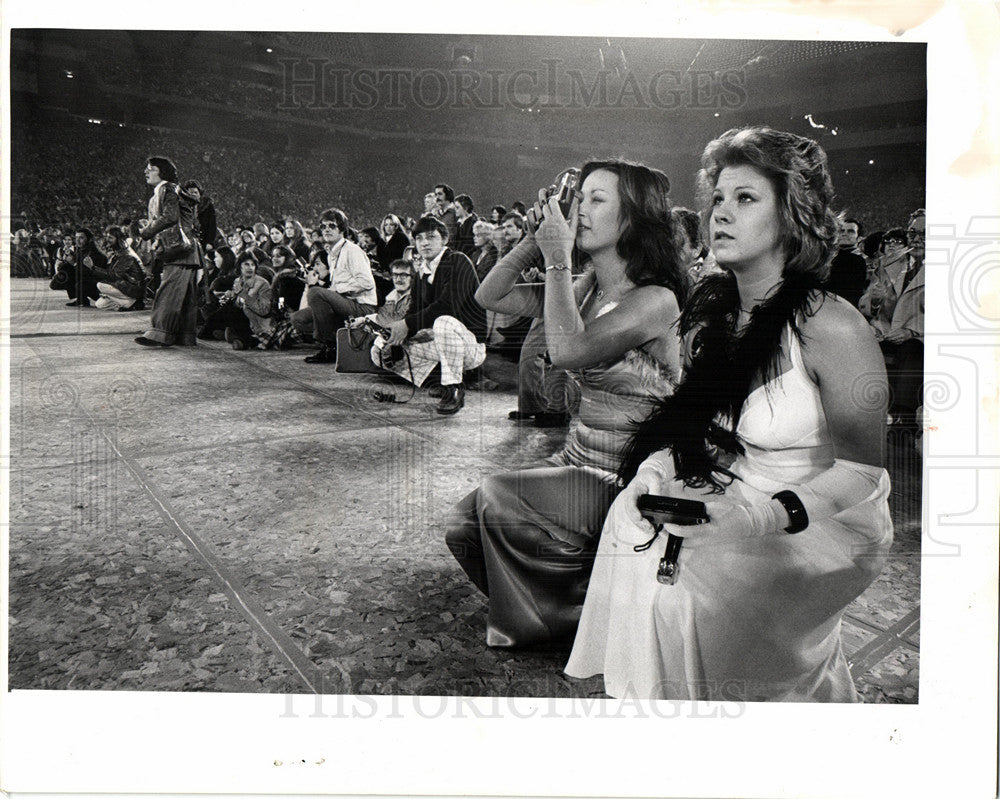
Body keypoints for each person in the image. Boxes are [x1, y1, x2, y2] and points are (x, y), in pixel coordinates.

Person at [565, 127, 893, 702]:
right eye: (718, 197)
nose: (721, 212)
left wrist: (755, 521)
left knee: (684, 594)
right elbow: (708, 434)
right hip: (741, 487)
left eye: (746, 198)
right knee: (631, 527)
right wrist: (658, 468)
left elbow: (865, 475)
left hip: (826, 517)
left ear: (791, 216)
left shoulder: (833, 326)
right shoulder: (708, 318)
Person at [445, 159, 686, 647]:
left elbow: (567, 350)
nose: (582, 210)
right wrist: (536, 240)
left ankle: (572, 620)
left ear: (634, 219)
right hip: (578, 460)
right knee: (461, 527)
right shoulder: (587, 287)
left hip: (630, 475)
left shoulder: (657, 299)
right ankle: (580, 603)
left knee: (499, 496)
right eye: (581, 199)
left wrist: (558, 259)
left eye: (598, 200)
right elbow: (489, 294)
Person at [378, 215, 488, 414]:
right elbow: (415, 311)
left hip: (470, 345)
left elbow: (447, 306)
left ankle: (454, 388)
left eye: (431, 237)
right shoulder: (423, 271)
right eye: (419, 238)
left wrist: (407, 325)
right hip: (444, 344)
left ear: (444, 239)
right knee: (378, 349)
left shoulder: (457, 260)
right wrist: (397, 340)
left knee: (443, 322)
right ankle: (438, 379)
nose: (424, 243)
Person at [135, 156, 202, 347]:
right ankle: (184, 337)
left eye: (151, 169)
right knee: (186, 297)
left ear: (162, 172)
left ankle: (158, 334)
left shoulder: (167, 189)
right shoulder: (174, 190)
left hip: (178, 251)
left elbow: (170, 216)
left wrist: (146, 232)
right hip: (187, 251)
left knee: (168, 293)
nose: (146, 172)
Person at [299, 208, 378, 364]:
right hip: (347, 303)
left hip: (362, 306)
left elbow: (367, 282)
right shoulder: (332, 253)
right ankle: (332, 342)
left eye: (332, 226)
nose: (326, 230)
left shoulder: (352, 251)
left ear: (342, 229)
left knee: (315, 293)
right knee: (299, 318)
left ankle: (330, 347)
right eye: (323, 226)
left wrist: (336, 289)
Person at [93, 225, 147, 311]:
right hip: (124, 286)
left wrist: (92, 268)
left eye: (110, 238)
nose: (108, 240)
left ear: (118, 239)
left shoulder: (126, 255)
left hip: (133, 288)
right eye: (107, 237)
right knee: (99, 304)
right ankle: (129, 303)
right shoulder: (118, 252)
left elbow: (113, 275)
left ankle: (132, 301)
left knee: (100, 285)